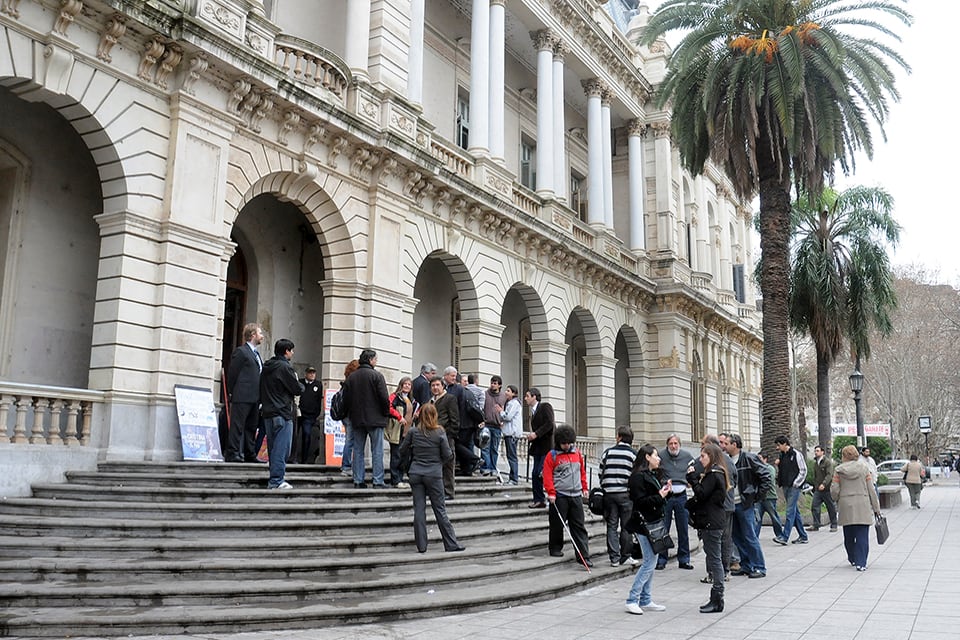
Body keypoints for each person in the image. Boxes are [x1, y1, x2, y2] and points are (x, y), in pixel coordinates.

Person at [398, 403, 464, 553]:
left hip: (416, 473)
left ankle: (421, 546)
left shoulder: (414, 431)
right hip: (433, 474)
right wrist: (438, 462)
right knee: (440, 509)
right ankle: (450, 543)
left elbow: (402, 450)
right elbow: (448, 455)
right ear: (435, 416)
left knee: (419, 510)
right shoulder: (439, 432)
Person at [623, 443, 670, 615]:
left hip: (653, 521)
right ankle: (632, 599)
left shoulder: (651, 474)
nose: (659, 458)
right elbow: (641, 502)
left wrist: (665, 492)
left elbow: (654, 498)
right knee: (650, 561)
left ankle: (645, 599)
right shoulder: (637, 477)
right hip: (643, 524)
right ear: (647, 457)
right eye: (656, 455)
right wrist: (660, 495)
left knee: (652, 559)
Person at [686, 443, 731, 614]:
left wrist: (692, 479)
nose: (700, 459)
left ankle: (717, 597)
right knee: (714, 558)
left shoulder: (714, 474)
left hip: (712, 521)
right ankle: (716, 597)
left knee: (714, 560)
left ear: (711, 456)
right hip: (714, 520)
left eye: (703, 456)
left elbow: (702, 494)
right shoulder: (717, 473)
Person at [723, 433, 771, 579]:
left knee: (750, 536)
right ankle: (746, 565)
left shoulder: (749, 458)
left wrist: (755, 497)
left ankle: (759, 566)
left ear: (735, 445)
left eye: (727, 443)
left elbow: (766, 476)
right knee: (737, 536)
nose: (724, 446)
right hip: (732, 504)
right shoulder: (727, 460)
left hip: (745, 504)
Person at [543, 425, 591, 567]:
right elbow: (547, 476)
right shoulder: (552, 456)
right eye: (564, 443)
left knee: (579, 526)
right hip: (560, 495)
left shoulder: (576, 453)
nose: (567, 446)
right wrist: (551, 492)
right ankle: (555, 548)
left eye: (569, 443)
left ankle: (583, 555)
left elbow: (581, 471)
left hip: (575, 494)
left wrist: (584, 487)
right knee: (557, 524)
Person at [259, 338, 304, 489]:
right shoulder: (285, 367)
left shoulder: (267, 366)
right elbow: (297, 388)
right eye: (291, 350)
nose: (293, 353)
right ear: (286, 351)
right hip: (283, 412)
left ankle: (275, 478)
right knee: (282, 448)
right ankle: (276, 480)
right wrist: (301, 385)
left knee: (273, 447)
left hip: (268, 412)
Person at [344, 349, 390, 489]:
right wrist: (385, 413)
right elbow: (384, 398)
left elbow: (347, 399)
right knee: (377, 450)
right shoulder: (377, 376)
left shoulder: (352, 377)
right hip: (375, 418)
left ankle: (358, 480)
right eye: (375, 359)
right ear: (371, 360)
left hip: (357, 418)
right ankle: (377, 481)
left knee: (357, 450)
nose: (376, 362)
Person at [831, 444, 882, 571]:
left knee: (848, 535)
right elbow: (871, 490)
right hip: (862, 505)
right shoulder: (864, 469)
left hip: (846, 505)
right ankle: (861, 562)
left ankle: (852, 558)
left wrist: (837, 498)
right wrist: (876, 509)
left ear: (844, 456)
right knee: (862, 535)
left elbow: (834, 490)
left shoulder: (838, 470)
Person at [224, 323, 264, 463]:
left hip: (255, 397)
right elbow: (233, 373)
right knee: (237, 425)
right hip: (242, 395)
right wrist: (231, 392)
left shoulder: (256, 354)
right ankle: (233, 452)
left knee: (252, 427)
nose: (262, 336)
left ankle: (249, 453)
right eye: (260, 333)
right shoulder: (241, 352)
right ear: (253, 335)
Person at [599, 426, 638, 568]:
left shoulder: (607, 453)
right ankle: (625, 556)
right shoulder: (633, 455)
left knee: (612, 526)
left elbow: (600, 472)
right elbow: (636, 476)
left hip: (609, 494)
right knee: (626, 526)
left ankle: (614, 558)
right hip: (625, 494)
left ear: (619, 437)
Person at [656, 434, 695, 571]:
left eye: (675, 444)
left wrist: (691, 482)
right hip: (667, 496)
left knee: (683, 528)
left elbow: (693, 472)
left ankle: (684, 559)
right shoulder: (661, 456)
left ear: (679, 444)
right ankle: (661, 559)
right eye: (671, 444)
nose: (673, 446)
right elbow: (656, 473)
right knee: (663, 528)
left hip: (681, 495)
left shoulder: (687, 456)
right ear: (667, 445)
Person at [773, 435, 808, 545]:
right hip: (785, 485)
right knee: (795, 512)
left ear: (784, 444)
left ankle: (784, 536)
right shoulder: (782, 455)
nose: (777, 448)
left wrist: (796, 483)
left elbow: (803, 470)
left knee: (789, 511)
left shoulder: (796, 454)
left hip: (793, 486)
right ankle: (803, 535)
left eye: (778, 445)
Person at [430, 375, 460, 500]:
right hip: (433, 438)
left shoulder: (450, 399)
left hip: (446, 437)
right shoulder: (431, 401)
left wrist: (450, 434)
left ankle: (448, 492)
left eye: (437, 385)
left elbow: (455, 419)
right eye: (433, 385)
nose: (435, 388)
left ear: (443, 386)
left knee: (448, 465)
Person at [525, 387, 555, 509]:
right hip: (538, 448)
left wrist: (536, 434)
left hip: (547, 447)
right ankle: (538, 499)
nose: (525, 398)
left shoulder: (545, 407)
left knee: (540, 473)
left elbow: (549, 423)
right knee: (535, 473)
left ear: (534, 397)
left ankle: (548, 497)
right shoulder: (533, 413)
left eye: (527, 396)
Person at [388, 377, 416, 488]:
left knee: (404, 456)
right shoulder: (395, 396)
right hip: (397, 430)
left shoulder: (410, 399)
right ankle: (396, 480)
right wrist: (399, 417)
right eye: (405, 384)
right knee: (396, 455)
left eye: (409, 384)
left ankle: (400, 478)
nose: (407, 386)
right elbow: (388, 407)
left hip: (407, 431)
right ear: (401, 385)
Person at [480, 375, 507, 477]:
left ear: (499, 385)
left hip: (497, 426)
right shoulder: (485, 394)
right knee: (485, 447)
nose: (492, 385)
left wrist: (503, 421)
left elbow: (506, 411)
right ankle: (486, 467)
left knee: (494, 449)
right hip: (486, 424)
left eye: (495, 383)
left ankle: (493, 467)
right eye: (491, 383)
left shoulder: (503, 397)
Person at [496, 384, 522, 485]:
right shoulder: (512, 403)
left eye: (508, 391)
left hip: (511, 434)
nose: (506, 392)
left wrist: (501, 411)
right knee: (511, 455)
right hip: (511, 433)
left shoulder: (513, 403)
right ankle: (513, 477)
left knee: (512, 456)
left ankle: (514, 478)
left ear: (513, 393)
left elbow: (508, 416)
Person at [754, 452, 784, 540]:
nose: (758, 460)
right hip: (759, 497)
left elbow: (769, 481)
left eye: (760, 458)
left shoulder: (770, 469)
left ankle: (779, 534)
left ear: (765, 459)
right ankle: (755, 536)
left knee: (774, 517)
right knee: (757, 517)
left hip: (769, 497)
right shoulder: (756, 468)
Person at [338, 359, 360, 477]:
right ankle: (346, 466)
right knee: (350, 441)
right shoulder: (352, 384)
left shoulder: (346, 383)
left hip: (345, 415)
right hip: (351, 415)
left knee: (349, 440)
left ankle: (347, 465)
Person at [297, 366, 322, 464]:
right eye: (310, 373)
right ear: (306, 374)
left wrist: (316, 414)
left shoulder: (318, 385)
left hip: (310, 415)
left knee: (307, 434)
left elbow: (319, 400)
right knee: (295, 435)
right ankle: (294, 457)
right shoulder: (300, 382)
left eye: (313, 373)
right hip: (299, 413)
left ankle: (305, 459)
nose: (312, 375)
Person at [810, 445, 838, 531]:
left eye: (818, 451)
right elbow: (815, 476)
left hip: (827, 489)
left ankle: (834, 524)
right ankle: (816, 524)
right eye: (815, 451)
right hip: (818, 489)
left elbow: (829, 474)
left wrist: (824, 484)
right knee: (814, 506)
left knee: (830, 507)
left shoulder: (827, 462)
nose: (816, 452)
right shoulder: (816, 463)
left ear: (822, 452)